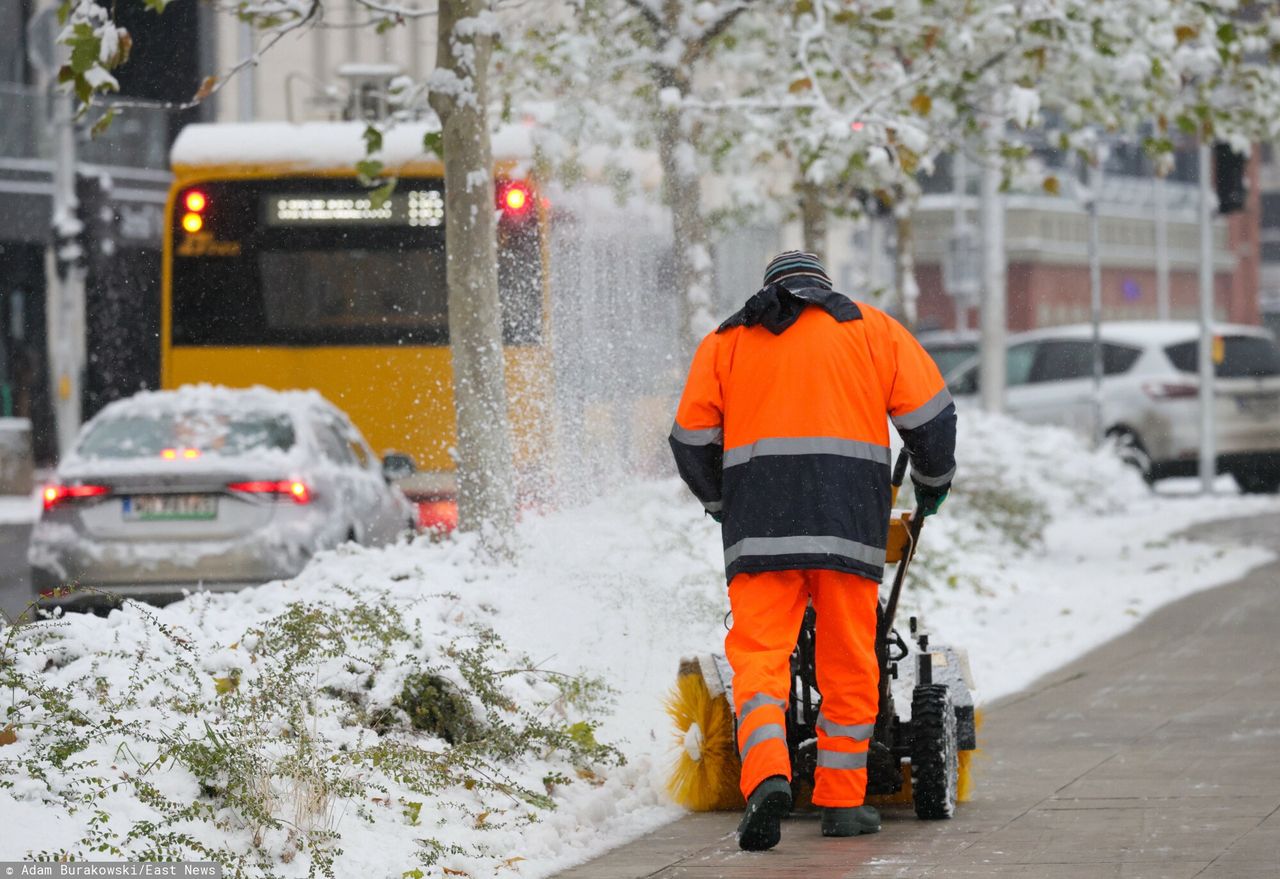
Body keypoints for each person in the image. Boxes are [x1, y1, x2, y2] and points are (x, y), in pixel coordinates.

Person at [669, 251, 957, 852]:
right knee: (851, 659)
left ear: (770, 287)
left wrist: (722, 502)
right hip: (847, 525)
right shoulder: (872, 329)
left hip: (759, 533)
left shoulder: (726, 340)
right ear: (822, 286)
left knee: (758, 660)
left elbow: (691, 439)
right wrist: (932, 482)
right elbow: (930, 418)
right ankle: (842, 803)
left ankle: (769, 773)